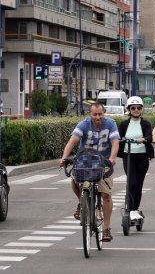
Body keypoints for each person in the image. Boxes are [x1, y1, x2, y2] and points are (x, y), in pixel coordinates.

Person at [60, 102, 119, 242]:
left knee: (106, 195)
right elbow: (73, 141)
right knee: (74, 178)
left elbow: (116, 142)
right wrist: (63, 157)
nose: (98, 117)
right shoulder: (84, 124)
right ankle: (82, 201)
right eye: (95, 114)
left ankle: (106, 228)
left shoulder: (111, 123)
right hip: (85, 160)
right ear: (90, 114)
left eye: (100, 114)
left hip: (103, 162)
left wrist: (112, 158)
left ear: (104, 113)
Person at [118, 96, 154, 220]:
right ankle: (130, 208)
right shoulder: (123, 124)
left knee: (139, 184)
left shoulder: (146, 123)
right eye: (133, 108)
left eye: (138, 108)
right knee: (131, 183)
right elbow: (118, 138)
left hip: (142, 157)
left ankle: (135, 209)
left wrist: (143, 139)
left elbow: (150, 137)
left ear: (141, 109)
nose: (136, 110)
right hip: (128, 156)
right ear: (129, 109)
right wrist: (120, 140)